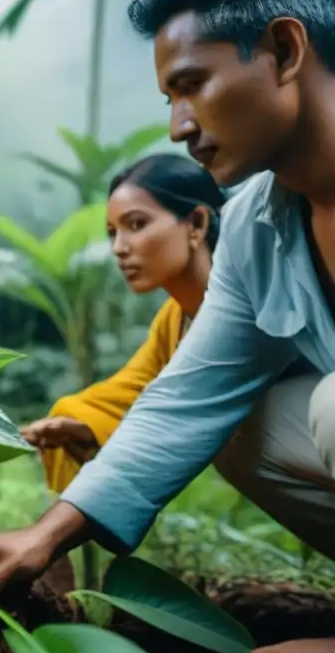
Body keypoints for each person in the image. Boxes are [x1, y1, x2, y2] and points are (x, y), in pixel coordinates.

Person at [0, 0, 335, 653]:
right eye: (169, 96)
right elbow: (185, 398)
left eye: (193, 85)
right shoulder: (259, 223)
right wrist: (46, 534)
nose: (178, 125)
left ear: (286, 51)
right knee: (238, 416)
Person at [21, 153, 224, 494]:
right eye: (113, 233)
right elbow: (135, 390)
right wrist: (81, 425)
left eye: (137, 225)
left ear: (196, 224)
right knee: (73, 410)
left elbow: (177, 407)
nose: (118, 248)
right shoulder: (174, 319)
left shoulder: (242, 305)